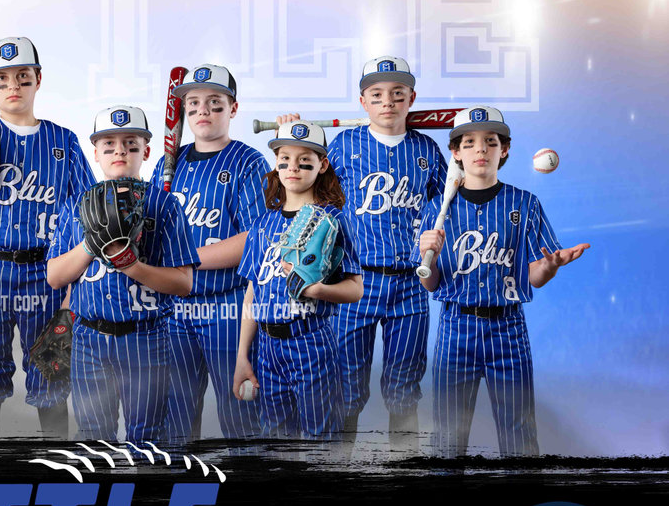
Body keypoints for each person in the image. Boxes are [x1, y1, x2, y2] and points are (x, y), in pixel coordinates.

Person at [279, 55, 446, 456]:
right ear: (363, 102)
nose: (387, 101)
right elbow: (304, 185)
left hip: (409, 282)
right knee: (348, 388)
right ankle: (340, 473)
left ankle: (403, 474)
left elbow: (450, 201)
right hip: (354, 281)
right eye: (377, 94)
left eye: (397, 93)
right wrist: (296, 139)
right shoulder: (343, 146)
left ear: (411, 98)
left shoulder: (426, 149)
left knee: (404, 389)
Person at [415, 107, 587, 457]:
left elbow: (534, 277)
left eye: (490, 142)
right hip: (455, 325)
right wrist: (426, 255)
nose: (480, 149)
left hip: (507, 328)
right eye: (470, 142)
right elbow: (431, 284)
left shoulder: (524, 204)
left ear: (503, 150)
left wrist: (550, 266)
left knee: (519, 431)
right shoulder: (437, 207)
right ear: (456, 152)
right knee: (448, 432)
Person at [0, 36, 97, 439]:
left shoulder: (64, 140)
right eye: (1, 79)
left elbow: (86, 211)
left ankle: (55, 472)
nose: (12, 86)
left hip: (45, 272)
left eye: (22, 76)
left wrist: (74, 286)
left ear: (38, 79)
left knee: (50, 373)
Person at [46, 106, 198, 444]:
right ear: (96, 153)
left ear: (146, 151)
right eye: (109, 145)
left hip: (145, 336)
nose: (119, 151)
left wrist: (133, 266)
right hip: (89, 338)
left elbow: (184, 284)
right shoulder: (79, 205)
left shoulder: (164, 205)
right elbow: (55, 277)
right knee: (92, 437)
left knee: (147, 438)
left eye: (130, 144)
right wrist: (90, 244)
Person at [151, 64, 268, 442]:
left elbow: (257, 237)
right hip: (172, 310)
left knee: (240, 412)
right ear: (184, 109)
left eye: (215, 103)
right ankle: (181, 492)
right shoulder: (169, 164)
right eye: (195, 103)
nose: (203, 111)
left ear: (233, 109)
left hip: (227, 307)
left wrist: (186, 256)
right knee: (174, 415)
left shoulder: (248, 163)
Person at [233, 121, 363, 439]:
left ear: (322, 165)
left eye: (305, 160)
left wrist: (318, 289)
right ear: (276, 164)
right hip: (266, 346)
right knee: (275, 437)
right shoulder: (264, 223)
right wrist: (241, 356)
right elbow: (253, 291)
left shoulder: (334, 219)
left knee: (321, 437)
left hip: (310, 341)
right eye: (284, 158)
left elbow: (356, 288)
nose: (293, 167)